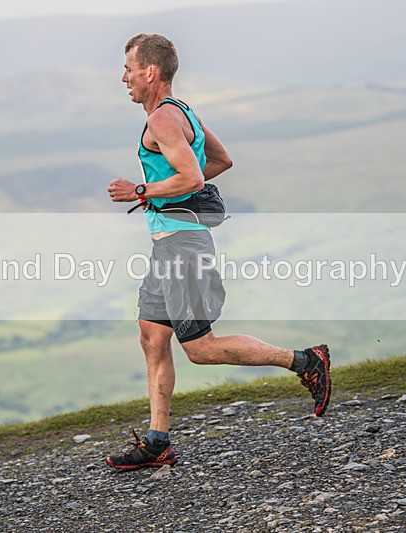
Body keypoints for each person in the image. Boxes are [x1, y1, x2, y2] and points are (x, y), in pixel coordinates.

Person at [105, 33, 331, 470]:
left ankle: (306, 361)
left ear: (150, 72)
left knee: (200, 348)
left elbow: (192, 177)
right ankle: (157, 442)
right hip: (167, 246)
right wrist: (162, 196)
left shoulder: (162, 121)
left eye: (129, 69)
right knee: (153, 337)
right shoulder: (181, 111)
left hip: (183, 247)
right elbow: (221, 161)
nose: (124, 78)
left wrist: (143, 189)